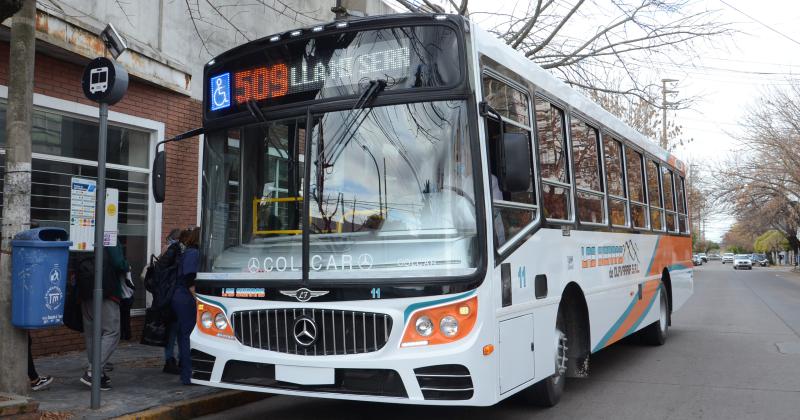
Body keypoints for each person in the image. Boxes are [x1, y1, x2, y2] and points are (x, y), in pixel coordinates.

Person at [77, 242, 128, 391]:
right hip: (106, 291)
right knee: (112, 332)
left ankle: (97, 374)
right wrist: (127, 265)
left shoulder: (84, 235)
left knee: (92, 334)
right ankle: (93, 372)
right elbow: (119, 263)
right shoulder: (109, 237)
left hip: (85, 291)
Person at [171, 228, 200, 385]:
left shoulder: (189, 252)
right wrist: (197, 298)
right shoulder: (193, 253)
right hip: (185, 298)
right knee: (187, 336)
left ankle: (188, 372)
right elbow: (190, 278)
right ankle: (188, 375)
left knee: (185, 335)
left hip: (183, 297)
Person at [159, 229, 183, 374]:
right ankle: (174, 360)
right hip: (173, 295)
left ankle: (170, 360)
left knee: (172, 332)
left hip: (166, 296)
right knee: (176, 331)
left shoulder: (165, 249)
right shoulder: (174, 250)